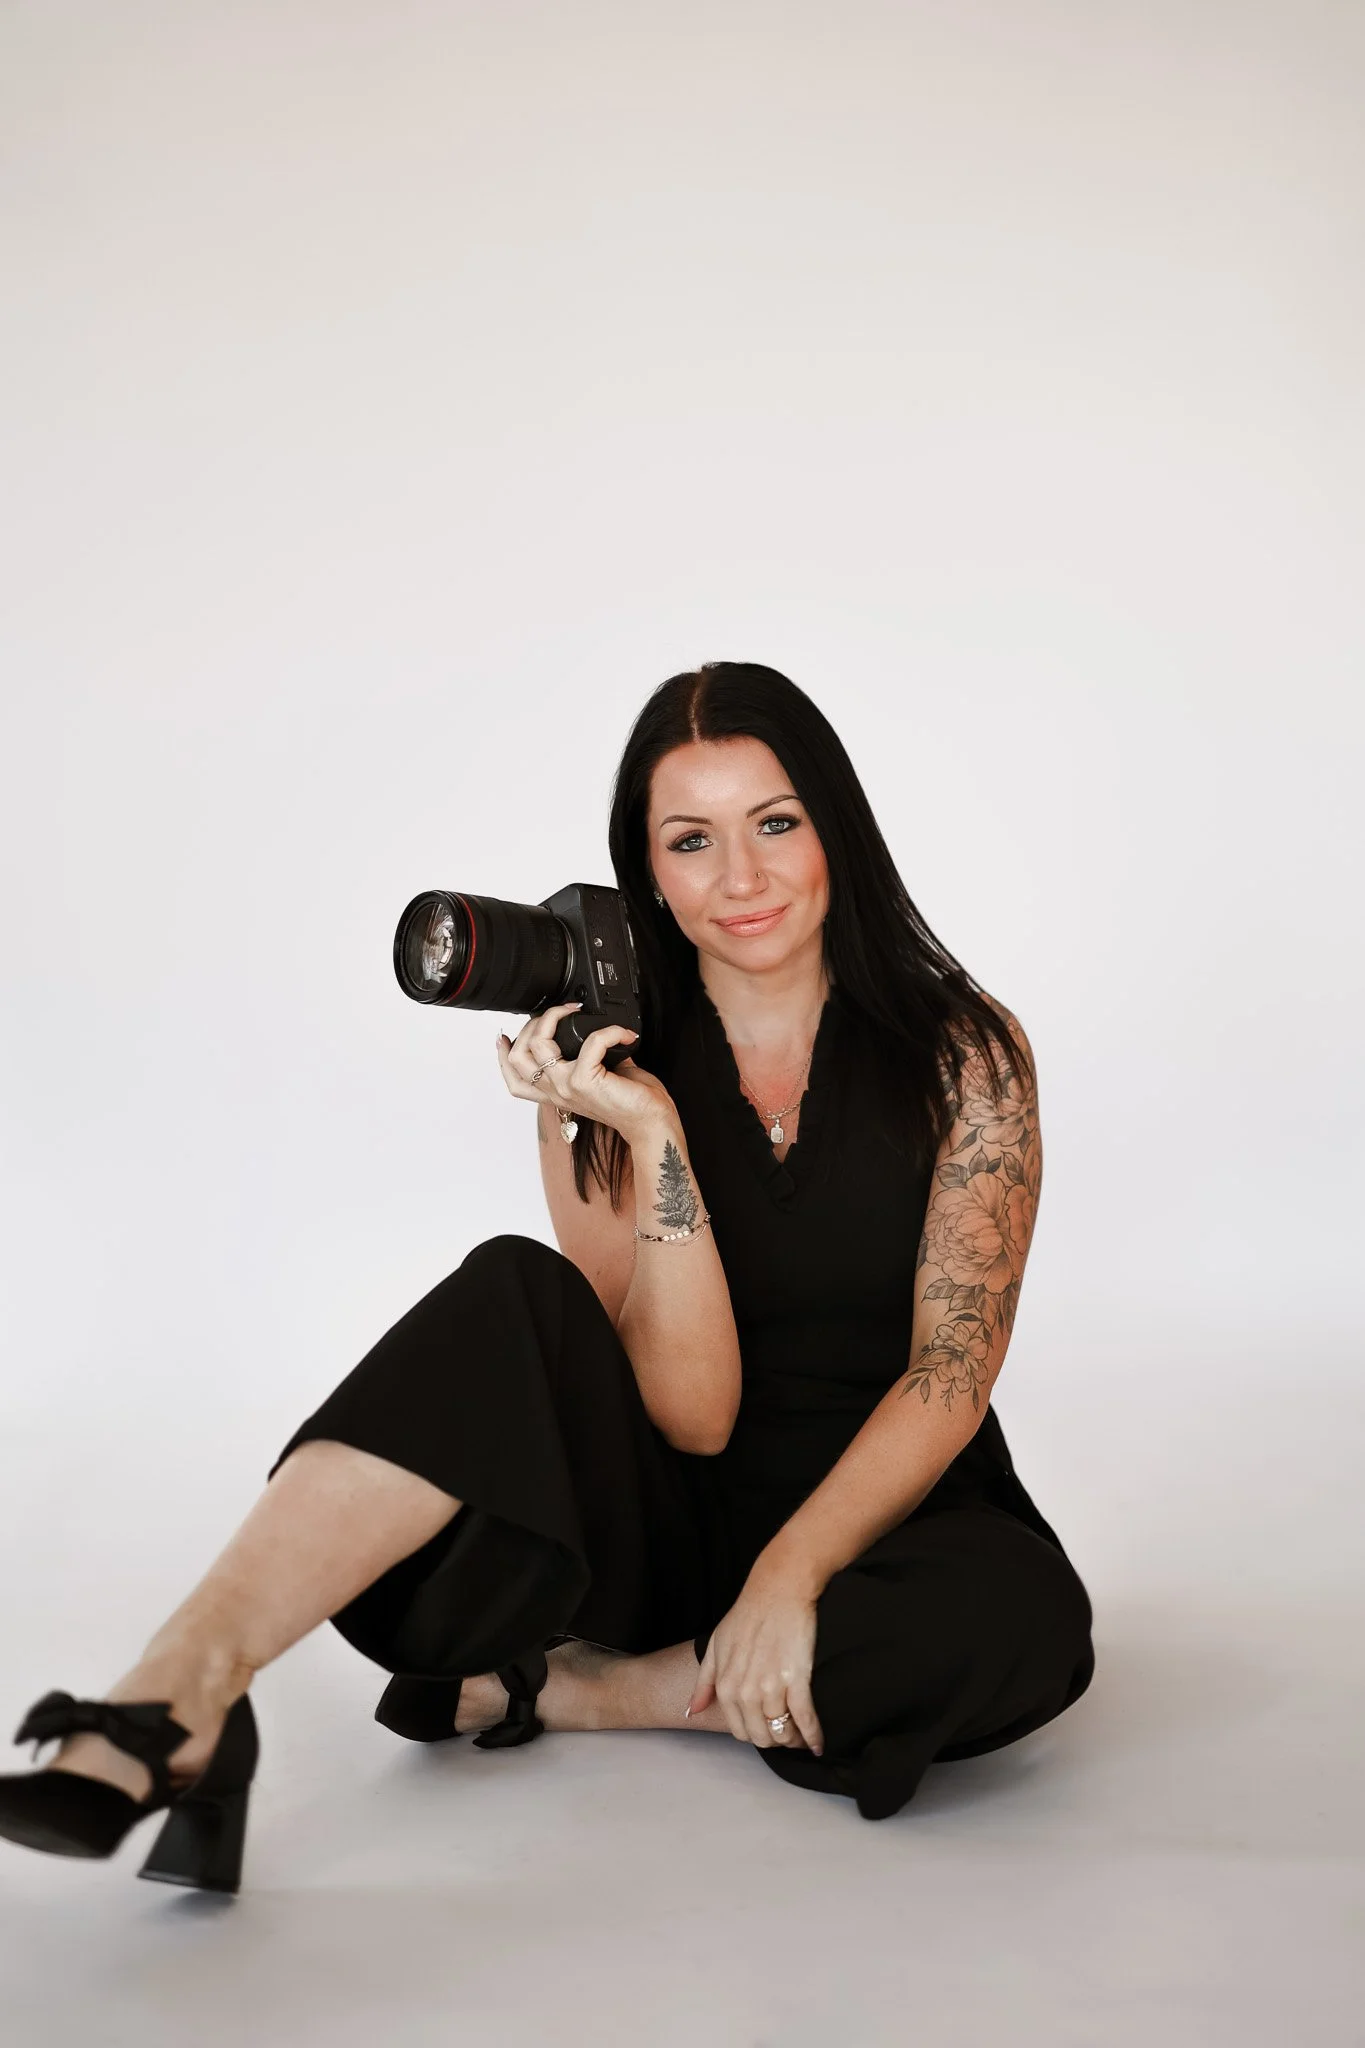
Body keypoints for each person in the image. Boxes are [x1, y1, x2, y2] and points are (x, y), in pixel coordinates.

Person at [0, 661, 1095, 1893]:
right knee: (515, 1283)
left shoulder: (965, 1051)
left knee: (1022, 1626)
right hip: (673, 1519)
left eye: (775, 823)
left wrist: (793, 1578)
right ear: (648, 870)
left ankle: (591, 1689)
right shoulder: (604, 1061)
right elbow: (692, 1413)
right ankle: (180, 1689)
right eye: (692, 841)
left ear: (836, 826)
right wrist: (656, 1135)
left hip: (897, 1513)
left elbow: (953, 1371)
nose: (741, 878)